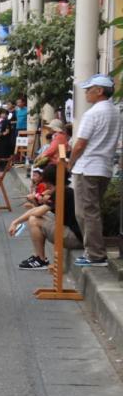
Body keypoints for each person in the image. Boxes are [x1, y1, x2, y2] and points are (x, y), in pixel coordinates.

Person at [69, 74, 121, 266]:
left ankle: (95, 254)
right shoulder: (114, 111)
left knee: (86, 212)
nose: (85, 93)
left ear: (99, 91)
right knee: (92, 210)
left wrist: (70, 162)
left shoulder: (93, 113)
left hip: (88, 167)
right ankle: (94, 252)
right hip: (104, 166)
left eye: (88, 89)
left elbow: (80, 143)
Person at [12, 163, 83, 270]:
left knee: (34, 220)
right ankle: (38, 257)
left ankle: (40, 259)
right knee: (36, 218)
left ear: (48, 181)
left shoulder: (62, 192)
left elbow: (37, 213)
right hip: (77, 235)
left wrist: (16, 222)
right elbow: (38, 210)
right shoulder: (65, 190)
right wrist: (16, 221)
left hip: (75, 238)